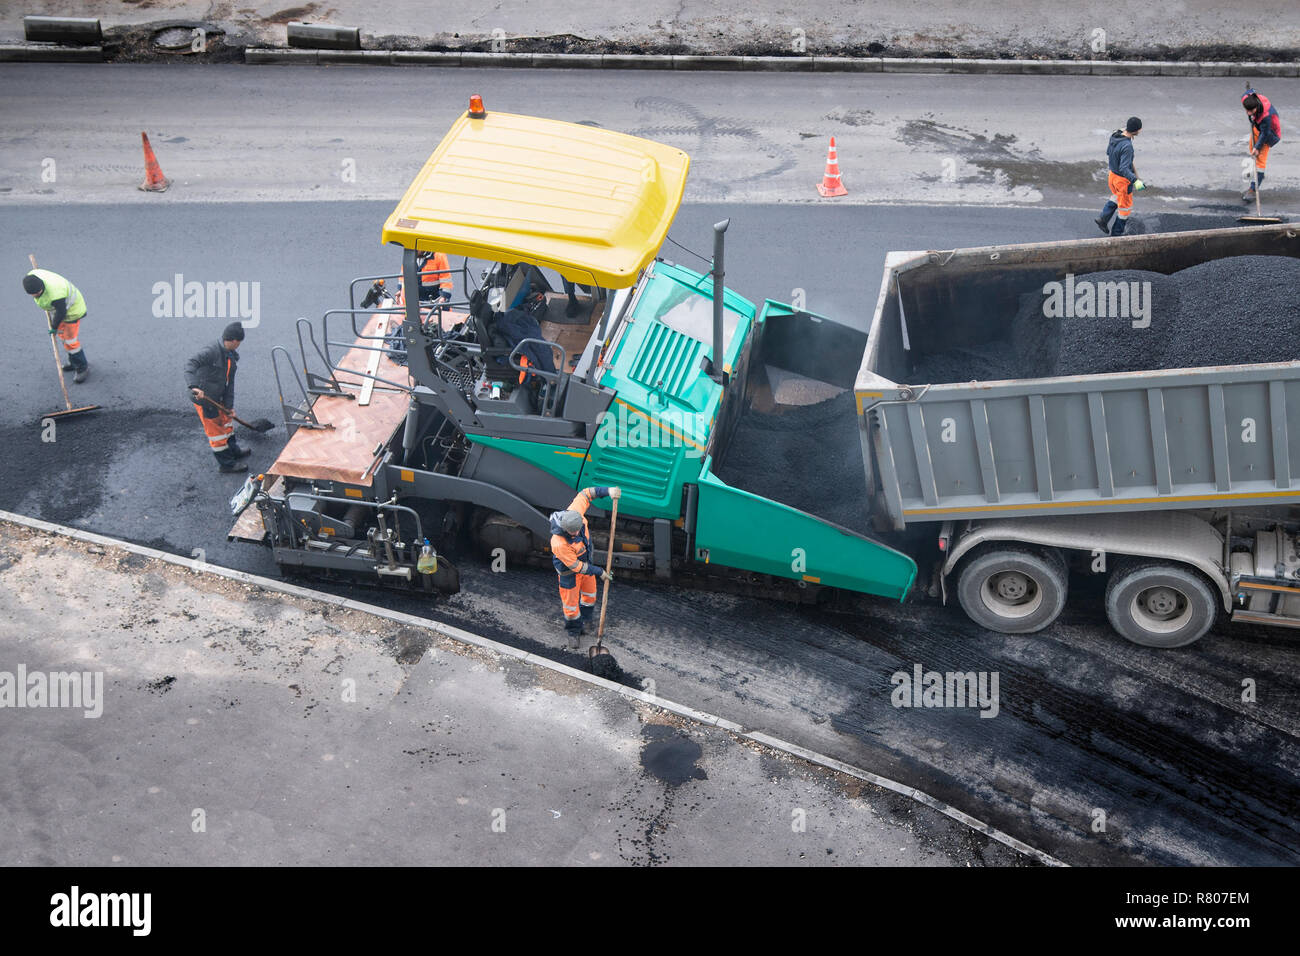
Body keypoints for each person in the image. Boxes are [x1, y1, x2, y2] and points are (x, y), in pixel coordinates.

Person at [549, 486, 621, 645]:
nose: (576, 534)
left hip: (587, 566)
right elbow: (576, 567)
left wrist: (608, 491)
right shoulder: (559, 543)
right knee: (571, 607)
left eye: (578, 530)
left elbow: (587, 493)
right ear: (565, 529)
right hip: (570, 574)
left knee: (589, 597)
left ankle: (586, 621)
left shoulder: (576, 512)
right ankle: (573, 632)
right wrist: (599, 571)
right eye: (573, 533)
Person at [185, 323, 251, 474]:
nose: (239, 345)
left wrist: (229, 407)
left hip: (218, 396)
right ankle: (227, 465)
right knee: (216, 433)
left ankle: (234, 451)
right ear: (234, 341)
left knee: (226, 425)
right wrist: (194, 386)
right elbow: (190, 364)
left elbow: (230, 384)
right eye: (239, 342)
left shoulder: (230, 357)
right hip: (205, 399)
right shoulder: (211, 352)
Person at [23, 268, 89, 383]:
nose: (36, 297)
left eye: (38, 294)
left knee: (70, 341)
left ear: (42, 288)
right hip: (60, 309)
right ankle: (74, 361)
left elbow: (61, 312)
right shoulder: (33, 275)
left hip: (72, 311)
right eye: (33, 295)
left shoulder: (55, 294)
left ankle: (82, 367)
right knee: (63, 337)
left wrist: (54, 327)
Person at [1095, 117, 1145, 237]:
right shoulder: (1127, 146)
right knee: (1125, 208)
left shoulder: (1115, 135)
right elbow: (1124, 168)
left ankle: (1103, 218)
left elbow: (1108, 152)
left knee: (1116, 196)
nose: (1141, 130)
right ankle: (1116, 234)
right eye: (1140, 129)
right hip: (1122, 180)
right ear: (1136, 131)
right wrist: (1135, 181)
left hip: (1112, 176)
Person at [1242, 88, 1282, 202]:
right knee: (1252, 150)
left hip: (1269, 134)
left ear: (1256, 107)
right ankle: (1257, 175)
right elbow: (1249, 92)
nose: (1248, 113)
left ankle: (1253, 190)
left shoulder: (1266, 116)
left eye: (1251, 111)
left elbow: (1265, 133)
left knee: (1259, 162)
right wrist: (1254, 148)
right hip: (1258, 128)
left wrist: (1258, 147)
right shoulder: (1247, 99)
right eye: (1247, 110)